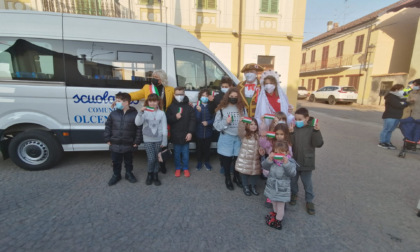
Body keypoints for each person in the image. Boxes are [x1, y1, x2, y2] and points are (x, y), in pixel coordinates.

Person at [128, 69, 174, 174]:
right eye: (153, 76)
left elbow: (177, 100)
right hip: (151, 119)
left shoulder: (170, 89)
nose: (153, 78)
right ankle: (154, 164)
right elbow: (135, 95)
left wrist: (188, 102)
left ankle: (162, 163)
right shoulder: (147, 88)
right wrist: (121, 98)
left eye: (155, 77)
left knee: (164, 144)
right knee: (153, 143)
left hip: (163, 118)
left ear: (161, 79)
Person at [289, 107, 324, 215]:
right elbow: (290, 144)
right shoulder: (294, 128)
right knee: (293, 181)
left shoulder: (312, 128)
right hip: (294, 161)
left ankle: (309, 201)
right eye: (296, 119)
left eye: (300, 119)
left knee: (307, 183)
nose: (297, 121)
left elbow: (318, 144)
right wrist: (290, 133)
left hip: (307, 161)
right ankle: (294, 194)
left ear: (307, 118)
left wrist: (316, 131)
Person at [104, 92, 142, 186]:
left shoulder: (135, 114)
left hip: (129, 143)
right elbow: (108, 126)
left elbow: (138, 128)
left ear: (126, 102)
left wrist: (137, 141)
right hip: (115, 143)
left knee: (129, 161)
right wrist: (107, 138)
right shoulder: (113, 113)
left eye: (118, 101)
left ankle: (129, 174)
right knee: (116, 161)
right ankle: (116, 175)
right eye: (116, 101)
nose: (116, 103)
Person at [213, 87, 246, 190]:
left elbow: (247, 122)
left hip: (238, 138)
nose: (233, 98)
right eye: (231, 96)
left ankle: (236, 177)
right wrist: (226, 122)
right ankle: (227, 178)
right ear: (227, 97)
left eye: (236, 97)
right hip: (226, 137)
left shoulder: (242, 109)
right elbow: (216, 125)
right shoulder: (222, 109)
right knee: (227, 160)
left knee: (237, 159)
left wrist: (244, 123)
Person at [262, 141, 297, 230]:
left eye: (282, 153)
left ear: (287, 153)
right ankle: (275, 213)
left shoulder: (290, 162)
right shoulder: (273, 161)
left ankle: (278, 221)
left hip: (282, 189)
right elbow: (264, 166)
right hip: (272, 186)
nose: (279, 155)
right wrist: (269, 159)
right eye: (277, 153)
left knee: (280, 205)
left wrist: (286, 164)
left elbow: (292, 173)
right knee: (273, 202)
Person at [135, 94, 167, 186]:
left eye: (154, 101)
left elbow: (164, 127)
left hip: (158, 139)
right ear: (147, 102)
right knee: (151, 158)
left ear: (158, 102)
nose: (152, 103)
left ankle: (155, 175)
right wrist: (140, 112)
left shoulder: (161, 113)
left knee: (156, 158)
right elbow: (137, 123)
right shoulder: (144, 112)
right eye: (150, 101)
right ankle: (149, 174)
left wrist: (164, 140)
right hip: (147, 139)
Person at [259, 123, 293, 207]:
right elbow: (263, 145)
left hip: (282, 170)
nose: (279, 136)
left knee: (282, 185)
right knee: (271, 183)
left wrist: (286, 159)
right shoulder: (271, 142)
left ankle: (281, 200)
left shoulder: (288, 145)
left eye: (281, 134)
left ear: (286, 134)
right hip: (272, 168)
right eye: (277, 134)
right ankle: (270, 198)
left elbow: (290, 155)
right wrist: (263, 137)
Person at [166, 87, 196, 177]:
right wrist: (175, 117)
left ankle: (185, 168)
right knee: (177, 154)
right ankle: (178, 168)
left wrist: (190, 132)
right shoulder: (171, 107)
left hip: (186, 134)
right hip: (176, 135)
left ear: (184, 94)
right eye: (177, 94)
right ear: (174, 95)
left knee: (186, 154)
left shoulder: (189, 106)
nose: (179, 96)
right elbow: (168, 120)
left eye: (181, 94)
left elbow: (193, 120)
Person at [235, 117, 265, 196]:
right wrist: (241, 123)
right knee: (244, 173)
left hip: (255, 159)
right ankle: (246, 186)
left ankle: (252, 186)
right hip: (245, 158)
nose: (253, 126)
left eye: (255, 124)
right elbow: (240, 131)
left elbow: (261, 146)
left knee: (255, 173)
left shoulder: (258, 135)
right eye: (251, 124)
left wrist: (262, 151)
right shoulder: (244, 134)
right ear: (247, 126)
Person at [378, 84, 408, 149]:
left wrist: (404, 103)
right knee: (386, 129)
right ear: (396, 89)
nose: (402, 91)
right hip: (390, 116)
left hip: (397, 116)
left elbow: (403, 103)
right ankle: (382, 142)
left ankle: (387, 142)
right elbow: (398, 105)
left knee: (390, 130)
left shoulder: (400, 97)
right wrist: (405, 103)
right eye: (401, 89)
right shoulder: (390, 96)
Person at [194, 88, 215, 171]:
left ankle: (207, 161)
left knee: (207, 148)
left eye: (206, 96)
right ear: (200, 96)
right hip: (199, 131)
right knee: (199, 148)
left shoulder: (211, 107)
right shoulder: (197, 106)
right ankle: (199, 162)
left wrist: (208, 122)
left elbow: (214, 119)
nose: (205, 97)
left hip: (208, 132)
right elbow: (196, 119)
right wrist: (199, 111)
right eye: (203, 95)